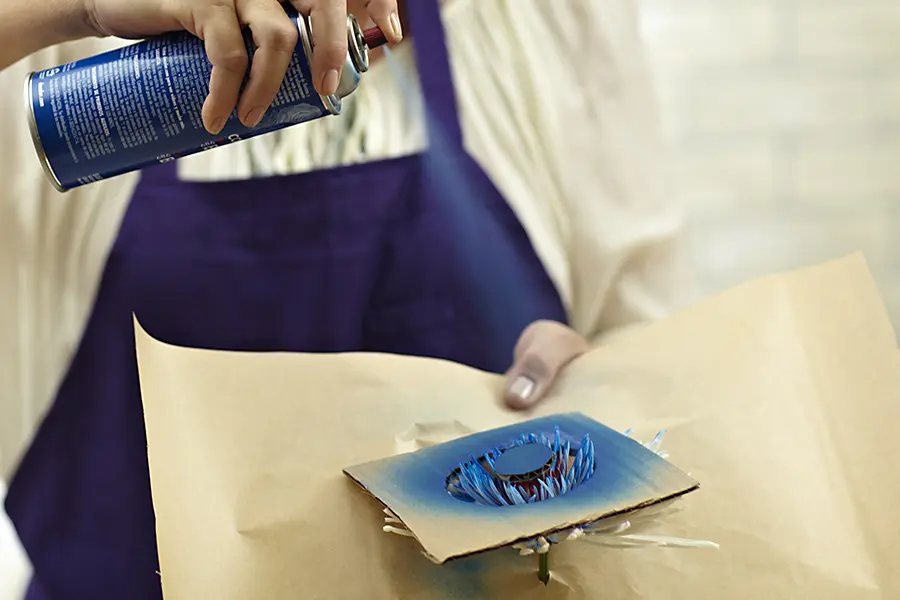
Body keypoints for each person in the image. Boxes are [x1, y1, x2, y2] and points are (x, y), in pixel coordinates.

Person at [0, 0, 696, 598]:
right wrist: (79, 9)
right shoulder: (70, 67)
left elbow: (660, 369)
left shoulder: (533, 21)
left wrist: (605, 392)